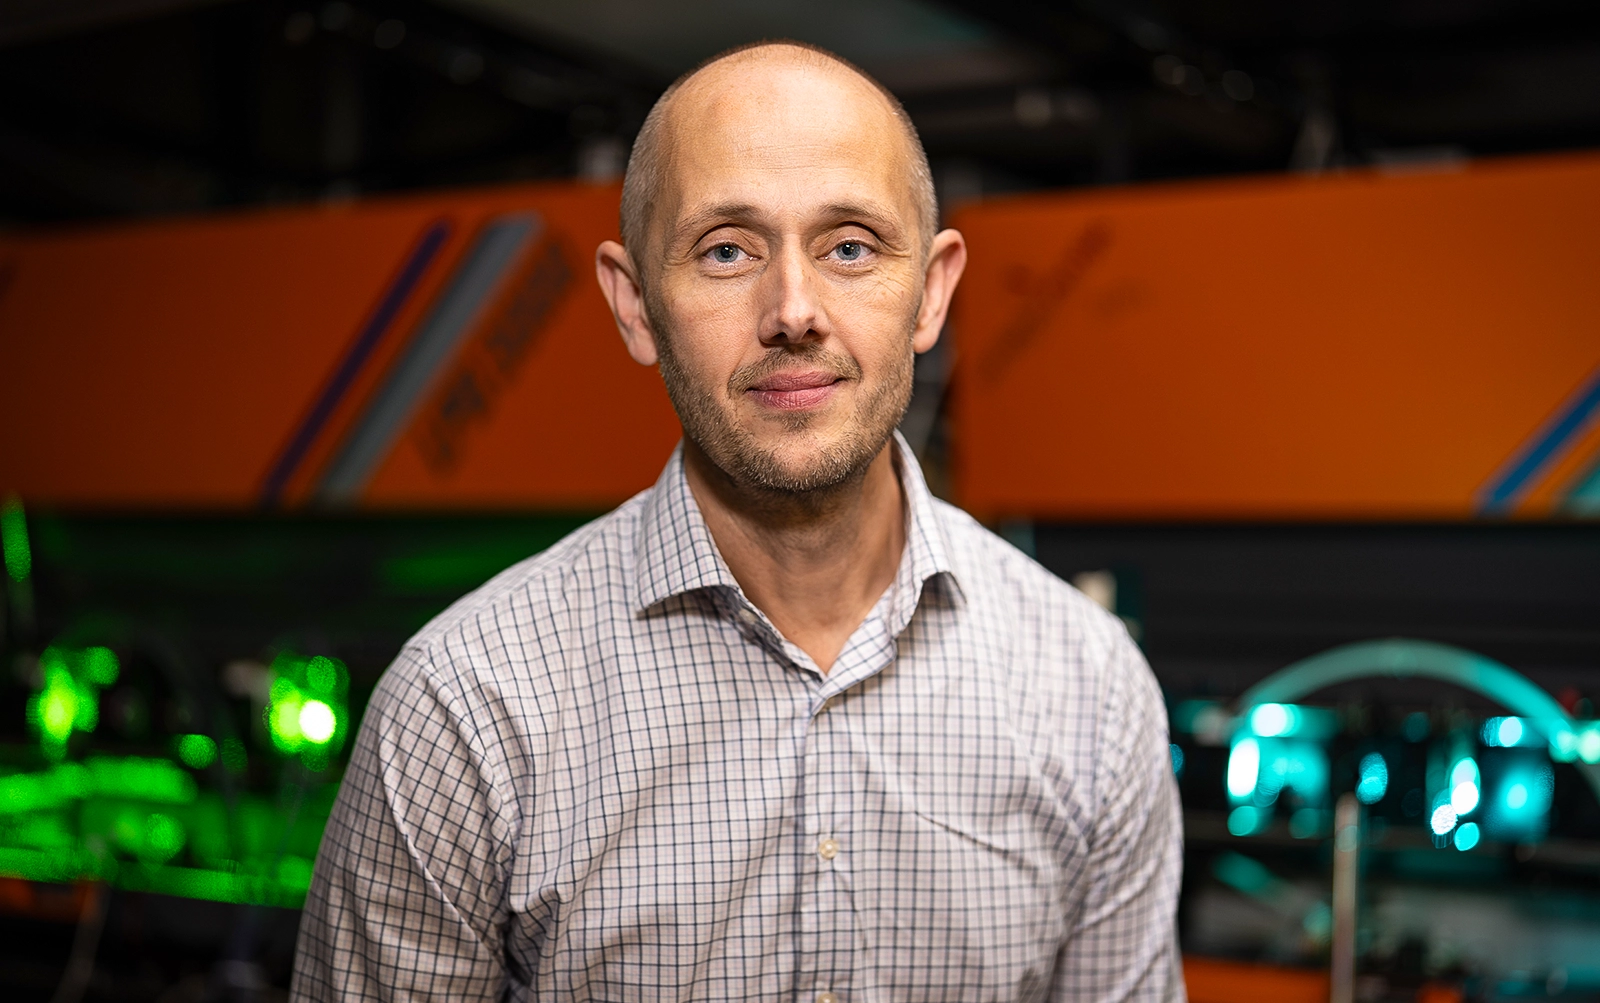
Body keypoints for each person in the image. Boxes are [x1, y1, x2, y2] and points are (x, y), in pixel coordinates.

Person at [291, 40, 1183, 1002]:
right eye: (727, 250)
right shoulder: (464, 710)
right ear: (635, 306)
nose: (793, 310)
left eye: (849, 246)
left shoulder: (1091, 690)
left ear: (929, 291)